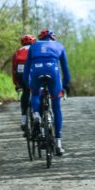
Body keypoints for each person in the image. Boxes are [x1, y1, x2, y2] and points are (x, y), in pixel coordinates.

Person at [25, 28, 72, 156]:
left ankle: (36, 116)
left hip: (36, 72)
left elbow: (27, 67)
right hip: (53, 72)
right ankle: (58, 144)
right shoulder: (59, 46)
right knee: (56, 106)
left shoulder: (33, 47)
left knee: (35, 94)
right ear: (52, 38)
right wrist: (66, 84)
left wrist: (26, 83)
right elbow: (65, 69)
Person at [11, 34, 36, 136]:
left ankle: (23, 119)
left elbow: (13, 70)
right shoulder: (35, 49)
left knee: (25, 92)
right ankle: (38, 114)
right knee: (36, 92)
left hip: (20, 74)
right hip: (34, 72)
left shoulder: (17, 52)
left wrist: (16, 84)